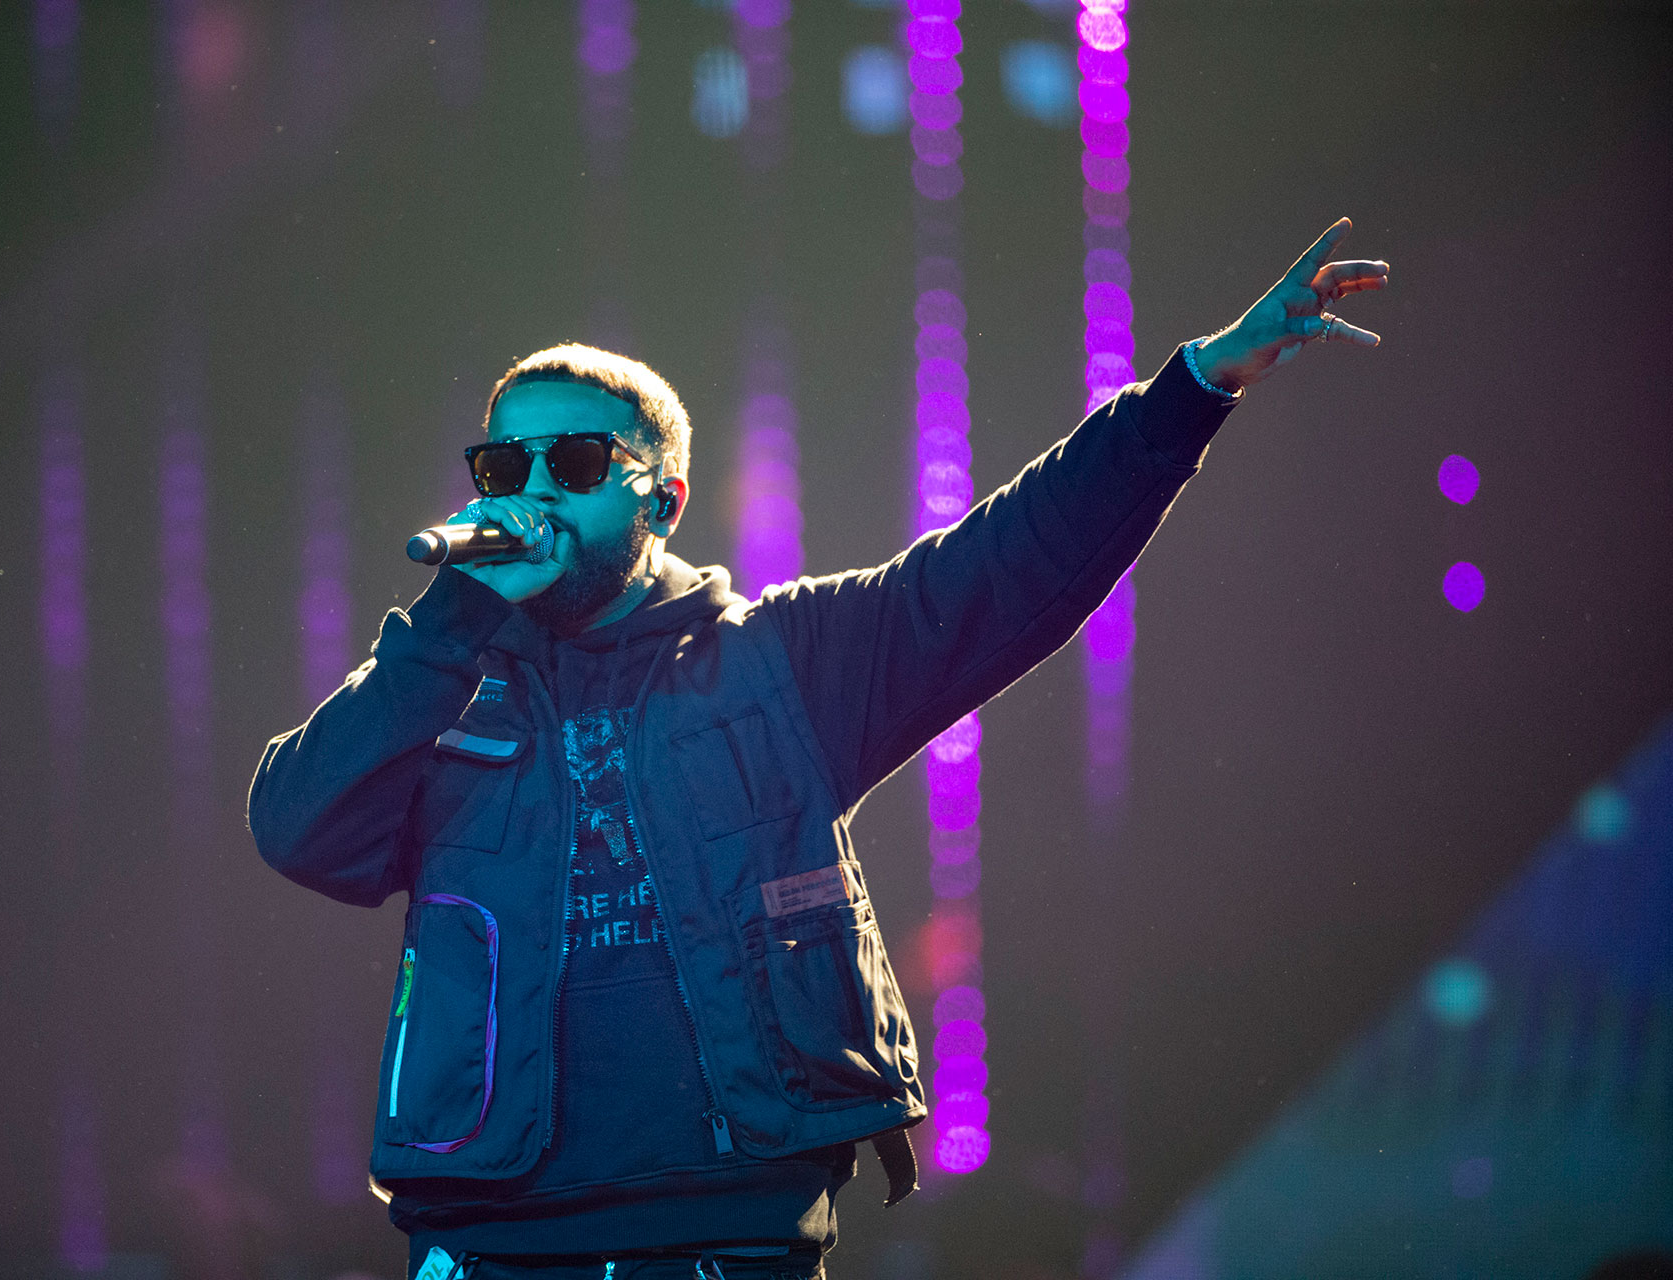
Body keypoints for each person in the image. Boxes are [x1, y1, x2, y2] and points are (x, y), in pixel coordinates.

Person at [248, 221, 1388, 1279]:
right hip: (483, 1234)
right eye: (506, 468)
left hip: (727, 1229)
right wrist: (447, 623)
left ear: (663, 497)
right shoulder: (437, 686)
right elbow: (301, 830)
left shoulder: (783, 661)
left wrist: (1195, 385)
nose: (536, 492)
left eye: (578, 463)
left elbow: (1005, 568)